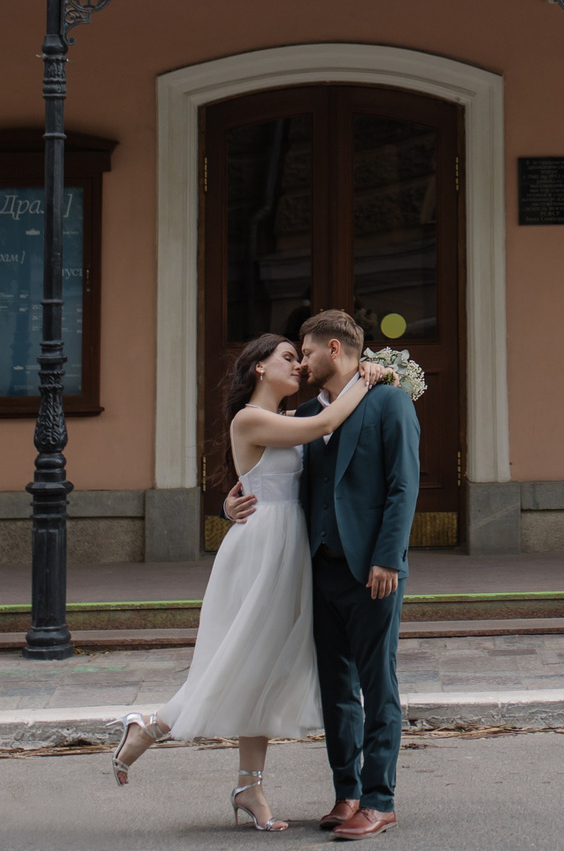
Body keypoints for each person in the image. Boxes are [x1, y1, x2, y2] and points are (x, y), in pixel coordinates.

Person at [108, 330, 395, 831]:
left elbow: (277, 473)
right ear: (259, 367)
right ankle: (150, 725)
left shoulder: (287, 418)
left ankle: (248, 788)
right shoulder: (251, 418)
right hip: (263, 549)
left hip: (289, 548)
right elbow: (328, 420)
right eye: (289, 357)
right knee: (240, 656)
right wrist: (367, 379)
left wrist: (368, 374)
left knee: (263, 666)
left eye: (301, 356)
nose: (300, 366)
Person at [221, 309, 420, 841]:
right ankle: (347, 793)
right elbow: (276, 481)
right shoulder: (306, 413)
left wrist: (387, 559)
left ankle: (380, 801)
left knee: (378, 686)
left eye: (306, 353)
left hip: (371, 571)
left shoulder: (389, 401)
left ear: (335, 350)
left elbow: (404, 487)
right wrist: (232, 502)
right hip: (316, 570)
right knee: (335, 690)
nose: (302, 364)